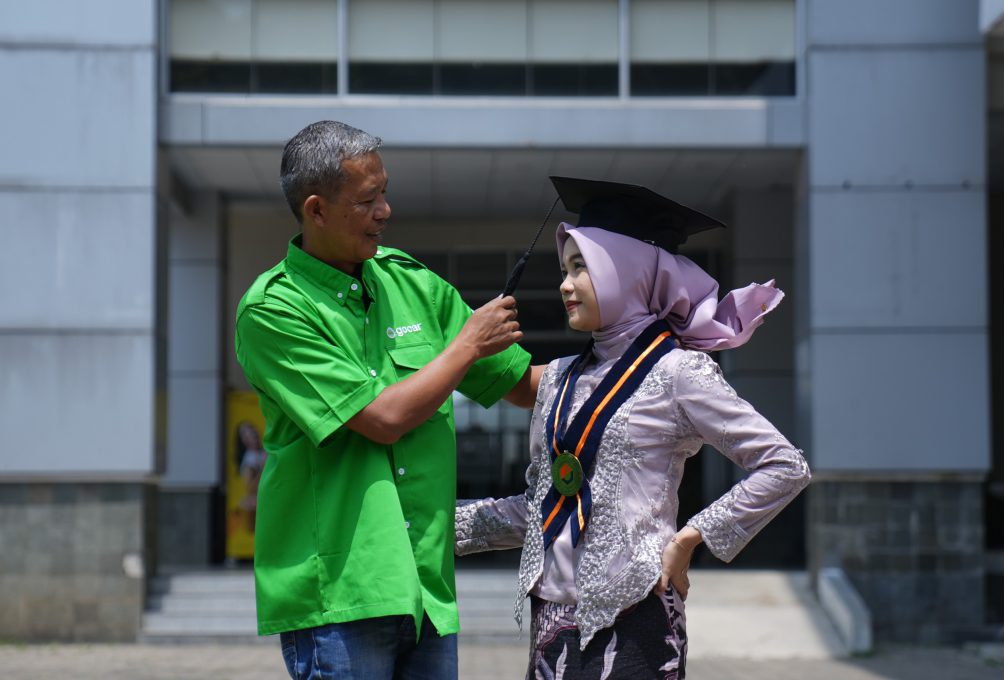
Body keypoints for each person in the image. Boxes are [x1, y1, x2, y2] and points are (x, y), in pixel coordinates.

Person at [455, 177, 811, 679]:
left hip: (637, 623)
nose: (564, 284)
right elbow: (545, 507)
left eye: (582, 268)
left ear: (628, 272)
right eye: (564, 269)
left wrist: (689, 539)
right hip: (551, 627)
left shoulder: (678, 373)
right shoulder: (557, 378)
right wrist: (432, 526)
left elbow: (784, 465)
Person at [234, 120, 541, 680]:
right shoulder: (273, 311)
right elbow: (382, 419)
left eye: (385, 194)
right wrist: (467, 344)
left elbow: (523, 386)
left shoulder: (413, 285)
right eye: (368, 199)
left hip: (426, 590)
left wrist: (632, 365)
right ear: (316, 210)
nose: (386, 211)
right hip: (341, 597)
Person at [235, 421, 267, 533]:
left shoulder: (264, 450)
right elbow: (249, 488)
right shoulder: (250, 459)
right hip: (258, 505)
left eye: (251, 430)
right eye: (245, 434)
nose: (251, 434)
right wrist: (263, 470)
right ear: (243, 440)